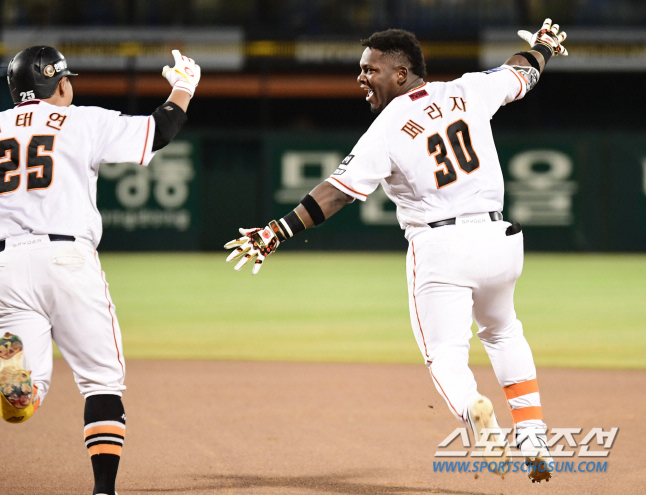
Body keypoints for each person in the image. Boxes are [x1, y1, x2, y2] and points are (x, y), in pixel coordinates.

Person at [225, 20, 567, 483]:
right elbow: (521, 71)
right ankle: (532, 432)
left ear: (401, 74)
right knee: (504, 332)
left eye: (371, 70)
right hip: (499, 240)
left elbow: (336, 193)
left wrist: (277, 231)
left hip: (441, 246)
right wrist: (544, 47)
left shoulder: (387, 127)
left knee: (446, 357)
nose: (362, 78)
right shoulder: (469, 90)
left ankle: (476, 414)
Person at [0, 45, 200, 494]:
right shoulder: (81, 120)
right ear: (59, 83)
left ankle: (15, 384)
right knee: (102, 379)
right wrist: (183, 86)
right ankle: (103, 491)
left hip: (3, 269)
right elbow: (158, 131)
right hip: (67, 259)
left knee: (28, 385)